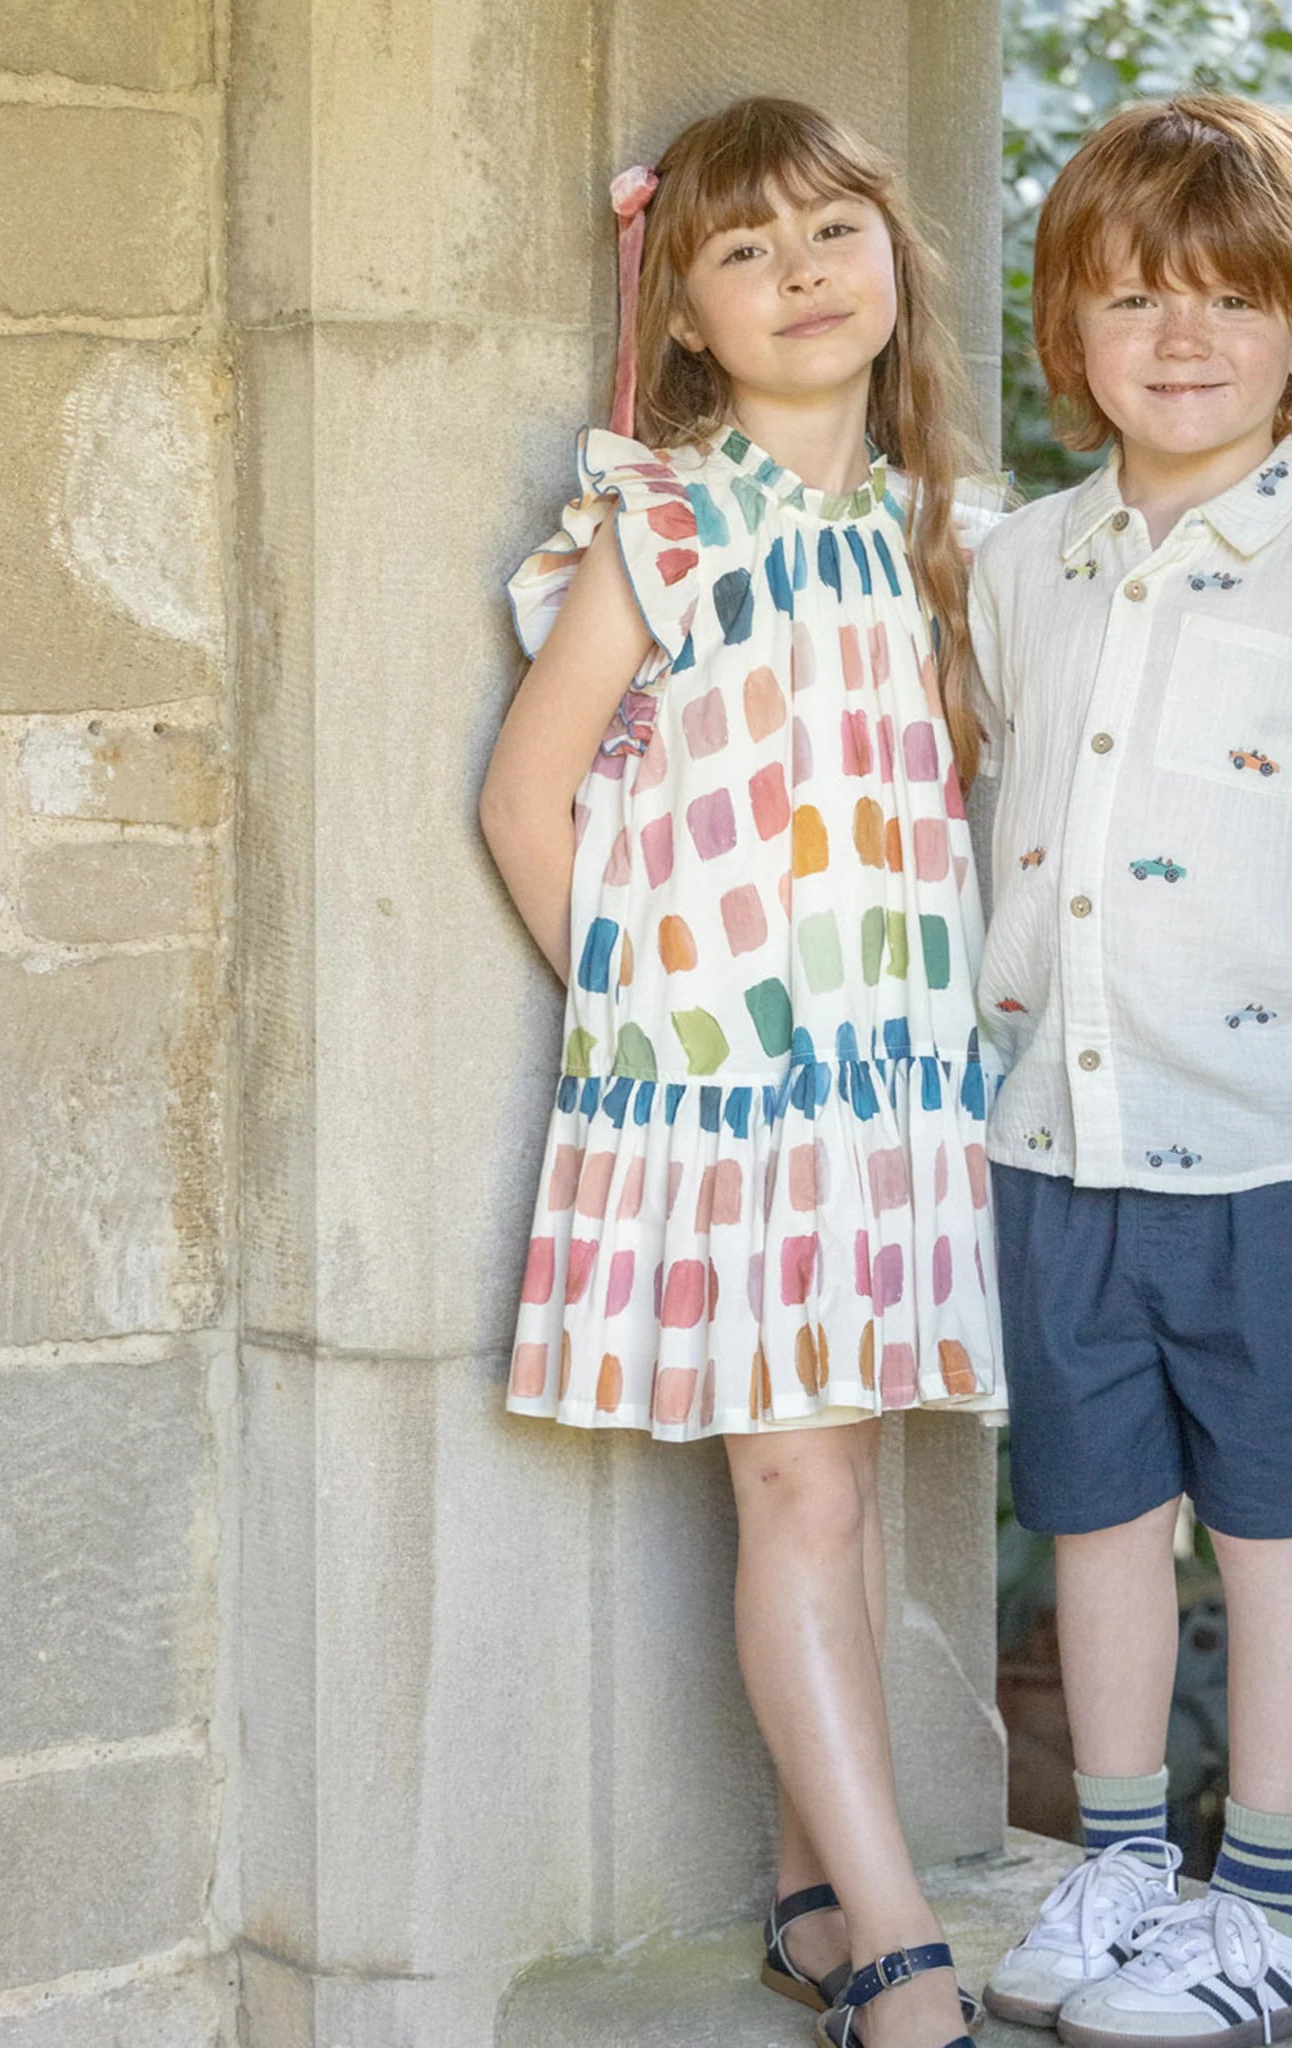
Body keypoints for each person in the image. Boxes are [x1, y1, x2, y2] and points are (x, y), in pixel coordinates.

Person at [970, 95, 1292, 2045]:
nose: (1177, 339)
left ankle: (1277, 1903)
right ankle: (1120, 1864)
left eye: (1225, 299)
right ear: (1070, 337)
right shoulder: (1023, 562)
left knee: (1279, 1527)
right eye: (1128, 300)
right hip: (1056, 1134)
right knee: (1098, 1515)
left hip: (1281, 1158)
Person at [480, 97, 1002, 2048]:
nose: (799, 277)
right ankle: (901, 1952)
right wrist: (656, 1035)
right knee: (798, 1488)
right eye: (744, 251)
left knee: (834, 1494)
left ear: (892, 252)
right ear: (685, 314)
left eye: (830, 232)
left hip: (879, 1102)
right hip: (727, 1100)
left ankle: (810, 1897)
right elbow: (528, 800)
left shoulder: (922, 524)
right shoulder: (666, 517)